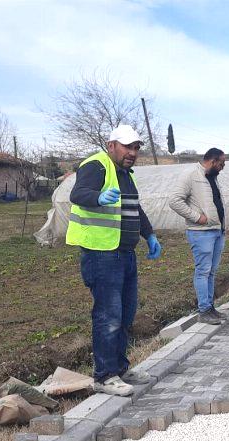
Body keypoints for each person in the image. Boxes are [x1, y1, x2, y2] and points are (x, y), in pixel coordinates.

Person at [67, 124, 162, 397]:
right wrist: (98, 197)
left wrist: (150, 234)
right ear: (111, 146)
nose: (132, 152)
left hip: (125, 254)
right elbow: (78, 194)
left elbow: (134, 207)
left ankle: (120, 368)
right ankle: (104, 376)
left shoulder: (125, 174)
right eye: (127, 147)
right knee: (109, 316)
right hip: (102, 254)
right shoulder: (96, 166)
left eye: (135, 148)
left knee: (126, 314)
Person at [168, 148, 228, 326]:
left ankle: (210, 308)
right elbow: (174, 201)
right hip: (201, 232)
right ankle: (204, 310)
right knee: (203, 271)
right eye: (221, 164)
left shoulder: (213, 178)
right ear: (212, 161)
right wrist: (197, 217)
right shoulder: (191, 176)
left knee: (211, 271)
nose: (222, 167)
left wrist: (223, 226)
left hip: (217, 231)